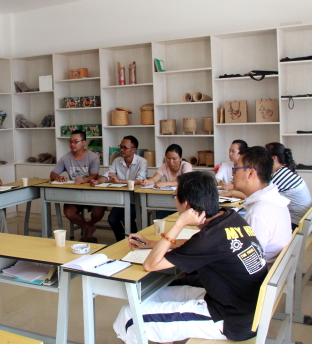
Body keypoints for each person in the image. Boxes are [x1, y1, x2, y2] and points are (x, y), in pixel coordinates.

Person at [115, 172, 268, 343]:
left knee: (130, 316)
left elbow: (150, 264)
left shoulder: (208, 239)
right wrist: (152, 243)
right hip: (243, 305)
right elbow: (194, 244)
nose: (174, 200)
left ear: (186, 205)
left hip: (230, 319)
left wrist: (179, 223)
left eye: (175, 196)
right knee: (151, 293)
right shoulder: (229, 217)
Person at [232, 146, 291, 264]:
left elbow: (250, 261)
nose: (232, 174)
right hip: (276, 268)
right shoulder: (272, 198)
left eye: (235, 169)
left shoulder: (259, 212)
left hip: (265, 272)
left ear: (250, 173)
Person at [91, 135, 147, 241]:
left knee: (126, 219)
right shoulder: (117, 160)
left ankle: (136, 241)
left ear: (134, 149)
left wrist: (119, 181)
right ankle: (121, 241)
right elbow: (108, 175)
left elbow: (140, 180)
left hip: (136, 200)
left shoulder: (142, 162)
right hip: (122, 200)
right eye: (120, 147)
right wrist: (97, 181)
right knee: (112, 219)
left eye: (125, 147)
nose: (121, 150)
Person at [51, 130, 103, 243]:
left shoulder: (93, 157)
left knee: (98, 211)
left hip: (92, 193)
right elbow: (53, 174)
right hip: (74, 194)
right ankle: (89, 227)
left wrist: (84, 179)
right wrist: (58, 177)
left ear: (84, 142)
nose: (72, 144)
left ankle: (89, 225)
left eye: (76, 141)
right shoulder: (65, 158)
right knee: (68, 212)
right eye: (70, 141)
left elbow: (94, 176)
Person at [266, 142, 312, 230]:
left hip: (297, 224)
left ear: (274, 158)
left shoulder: (281, 175)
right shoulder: (284, 171)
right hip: (302, 219)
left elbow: (259, 195)